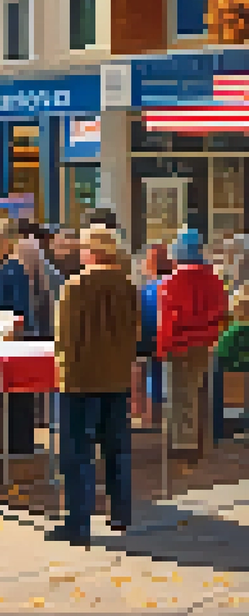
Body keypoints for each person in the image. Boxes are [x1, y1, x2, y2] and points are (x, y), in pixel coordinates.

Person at [47, 226, 139, 546]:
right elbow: (135, 332)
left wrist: (63, 371)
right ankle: (121, 513)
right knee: (117, 449)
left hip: (80, 379)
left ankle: (78, 522)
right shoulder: (127, 285)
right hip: (117, 378)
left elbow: (64, 338)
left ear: (91, 251)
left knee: (77, 453)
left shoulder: (75, 285)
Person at [158, 228, 227, 463]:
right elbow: (221, 313)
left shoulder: (171, 281)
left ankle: (182, 445)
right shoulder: (214, 279)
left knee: (179, 394)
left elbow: (168, 319)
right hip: (205, 343)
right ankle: (202, 441)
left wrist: (163, 347)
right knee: (201, 392)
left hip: (179, 344)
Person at [137, 244, 172, 429]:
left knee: (151, 370)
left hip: (148, 341)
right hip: (170, 339)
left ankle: (151, 418)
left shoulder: (146, 290)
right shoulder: (174, 285)